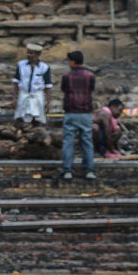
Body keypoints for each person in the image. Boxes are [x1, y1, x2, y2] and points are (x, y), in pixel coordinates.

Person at [60, 50, 97, 180]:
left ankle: (67, 170)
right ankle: (89, 170)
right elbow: (91, 90)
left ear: (73, 61)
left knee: (68, 142)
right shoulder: (90, 76)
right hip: (85, 113)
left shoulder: (66, 76)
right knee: (87, 142)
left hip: (71, 112)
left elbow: (64, 90)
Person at [12, 43, 52, 125]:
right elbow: (16, 82)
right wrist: (14, 98)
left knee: (38, 117)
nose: (28, 55)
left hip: (37, 95)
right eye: (28, 52)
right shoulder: (21, 65)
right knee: (22, 117)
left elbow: (48, 86)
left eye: (31, 53)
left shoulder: (44, 67)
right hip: (24, 94)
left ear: (38, 54)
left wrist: (48, 102)